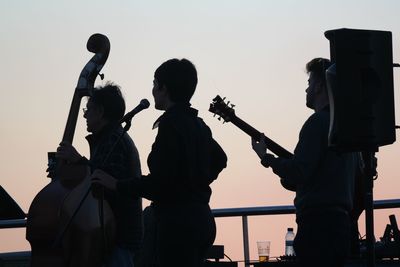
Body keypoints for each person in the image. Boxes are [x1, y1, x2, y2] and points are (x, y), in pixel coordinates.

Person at [91, 58, 228, 267]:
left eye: (155, 84)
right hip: (202, 219)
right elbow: (220, 159)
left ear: (164, 88)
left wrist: (117, 184)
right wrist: (195, 182)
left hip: (177, 226)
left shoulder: (171, 125)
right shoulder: (198, 124)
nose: (153, 90)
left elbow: (159, 184)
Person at [251, 58, 357, 267]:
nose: (306, 89)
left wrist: (266, 158)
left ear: (319, 86)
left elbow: (299, 171)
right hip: (342, 225)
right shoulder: (345, 127)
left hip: (317, 226)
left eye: (309, 83)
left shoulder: (316, 123)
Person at [56, 82, 143, 267]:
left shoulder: (113, 140)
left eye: (88, 109)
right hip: (111, 236)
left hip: (117, 238)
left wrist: (79, 161)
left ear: (101, 112)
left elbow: (105, 184)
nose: (85, 115)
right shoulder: (110, 138)